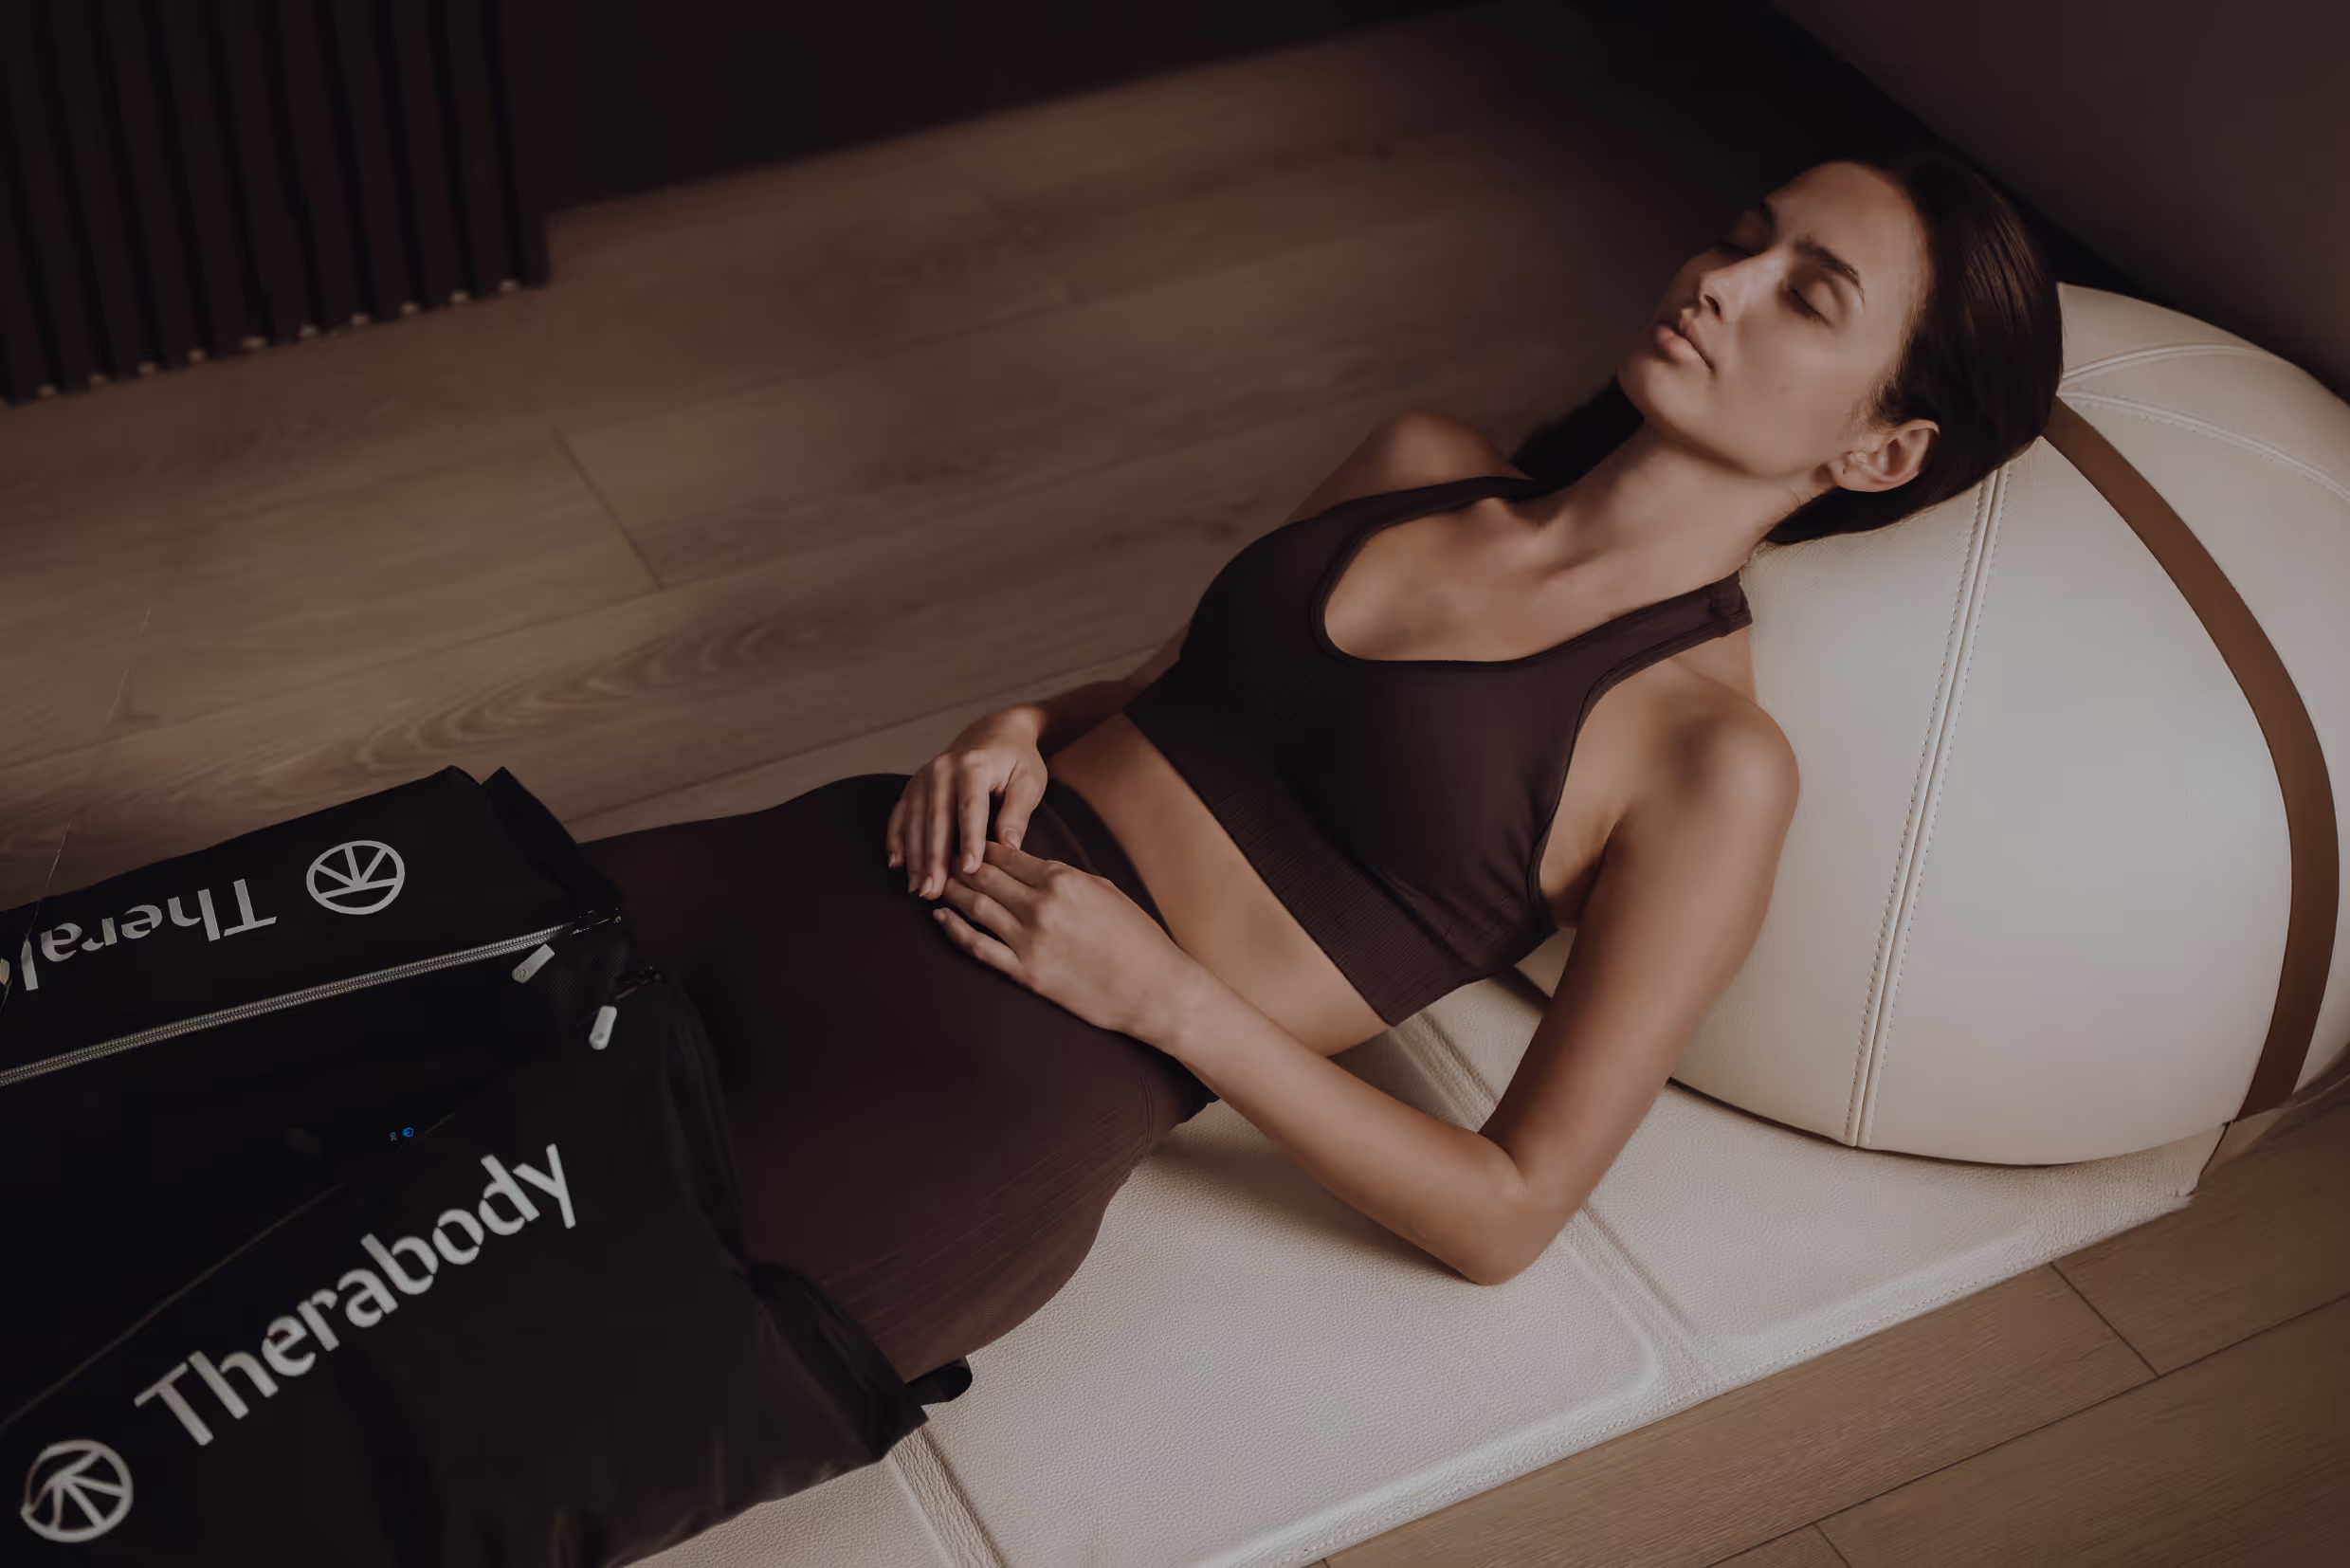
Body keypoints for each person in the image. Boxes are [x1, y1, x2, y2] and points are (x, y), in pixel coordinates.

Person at [574, 144, 2062, 1393]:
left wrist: (1163, 998)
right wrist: (1013, 723)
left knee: (511, 1369)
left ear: (1881, 452)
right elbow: (1156, 697)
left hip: (1006, 1087)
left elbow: (1506, 1211)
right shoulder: (1417, 463)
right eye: (1740, 238)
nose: (1718, 282)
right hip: (852, 864)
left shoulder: (1709, 762)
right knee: (442, 963)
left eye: (1804, 294)